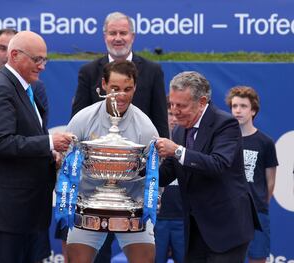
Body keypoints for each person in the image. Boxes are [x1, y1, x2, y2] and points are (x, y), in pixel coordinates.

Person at [0, 31, 73, 263]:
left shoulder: (25, 89)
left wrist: (49, 153)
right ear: (15, 55)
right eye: (37, 60)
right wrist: (49, 142)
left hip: (22, 211)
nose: (42, 66)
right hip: (3, 213)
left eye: (45, 60)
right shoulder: (0, 89)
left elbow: (23, 139)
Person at [68, 11, 168, 262]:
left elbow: (160, 137)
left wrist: (153, 192)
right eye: (113, 33)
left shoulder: (147, 118)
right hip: (90, 194)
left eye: (123, 32)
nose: (120, 95)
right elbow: (72, 147)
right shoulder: (87, 85)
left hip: (133, 196)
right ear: (103, 85)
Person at [155, 71, 261, 263]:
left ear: (202, 102)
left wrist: (177, 151)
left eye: (181, 105)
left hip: (226, 229)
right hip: (195, 230)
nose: (174, 110)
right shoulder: (179, 129)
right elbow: (166, 173)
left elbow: (217, 164)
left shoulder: (225, 124)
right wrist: (135, 167)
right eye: (171, 104)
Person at [225, 86, 278, 263]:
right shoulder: (224, 140)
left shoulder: (266, 142)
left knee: (257, 258)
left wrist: (259, 204)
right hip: (230, 212)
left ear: (253, 110)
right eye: (234, 106)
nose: (238, 110)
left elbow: (270, 181)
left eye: (243, 106)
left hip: (257, 213)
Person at [154, 96, 184, 263]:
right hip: (159, 218)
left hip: (183, 217)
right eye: (169, 114)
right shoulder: (154, 144)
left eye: (176, 114)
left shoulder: (189, 142)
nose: (173, 119)